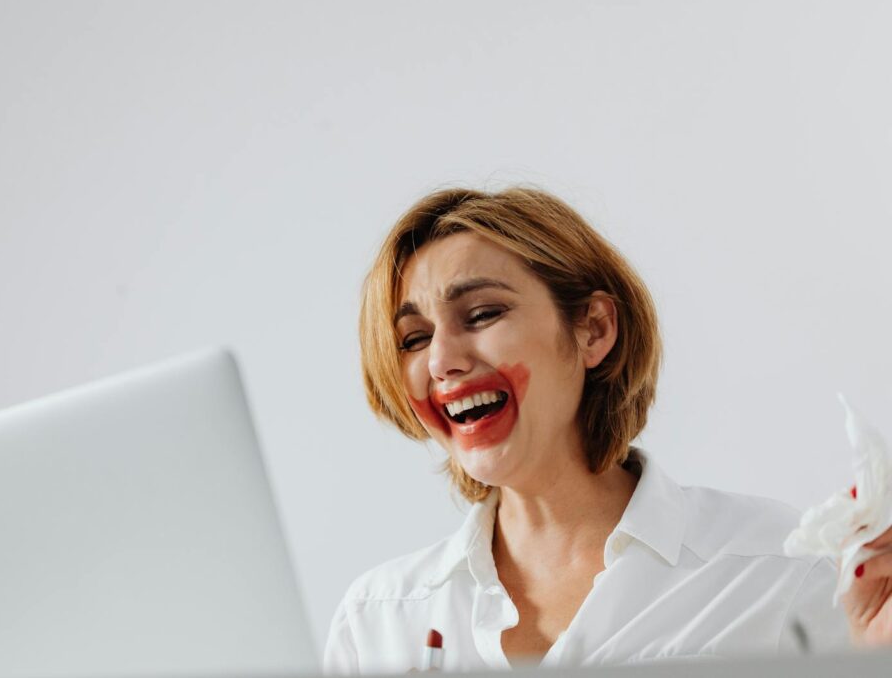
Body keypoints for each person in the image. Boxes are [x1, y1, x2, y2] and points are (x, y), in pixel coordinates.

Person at [323, 187, 892, 674]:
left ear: (593, 330)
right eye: (413, 340)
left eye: (481, 315)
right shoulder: (380, 620)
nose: (442, 359)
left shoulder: (781, 570)